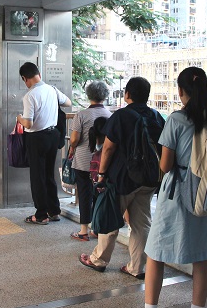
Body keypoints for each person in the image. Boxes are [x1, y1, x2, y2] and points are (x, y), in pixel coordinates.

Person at [127, 67, 207, 308]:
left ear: (181, 91)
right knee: (202, 254)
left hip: (180, 191)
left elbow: (166, 164)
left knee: (156, 251)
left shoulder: (177, 119)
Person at [79, 76, 164, 277]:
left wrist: (101, 174)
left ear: (127, 94)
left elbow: (108, 148)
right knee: (141, 223)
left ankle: (98, 260)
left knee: (111, 216)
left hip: (122, 178)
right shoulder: (156, 116)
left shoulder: (121, 116)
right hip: (149, 178)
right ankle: (136, 267)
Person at [16, 62, 71, 225]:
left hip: (37, 138)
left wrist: (19, 118)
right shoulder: (52, 89)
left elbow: (28, 124)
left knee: (37, 177)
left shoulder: (29, 96)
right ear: (38, 74)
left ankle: (41, 215)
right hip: (53, 136)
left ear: (25, 78)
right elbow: (67, 102)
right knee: (49, 174)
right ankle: (54, 211)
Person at [68, 81, 112, 241]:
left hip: (83, 161)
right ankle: (97, 229)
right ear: (105, 96)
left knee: (85, 194)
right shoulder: (110, 115)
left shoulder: (81, 115)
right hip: (102, 163)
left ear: (88, 95)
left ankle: (83, 231)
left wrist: (73, 147)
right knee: (99, 195)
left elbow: (74, 139)